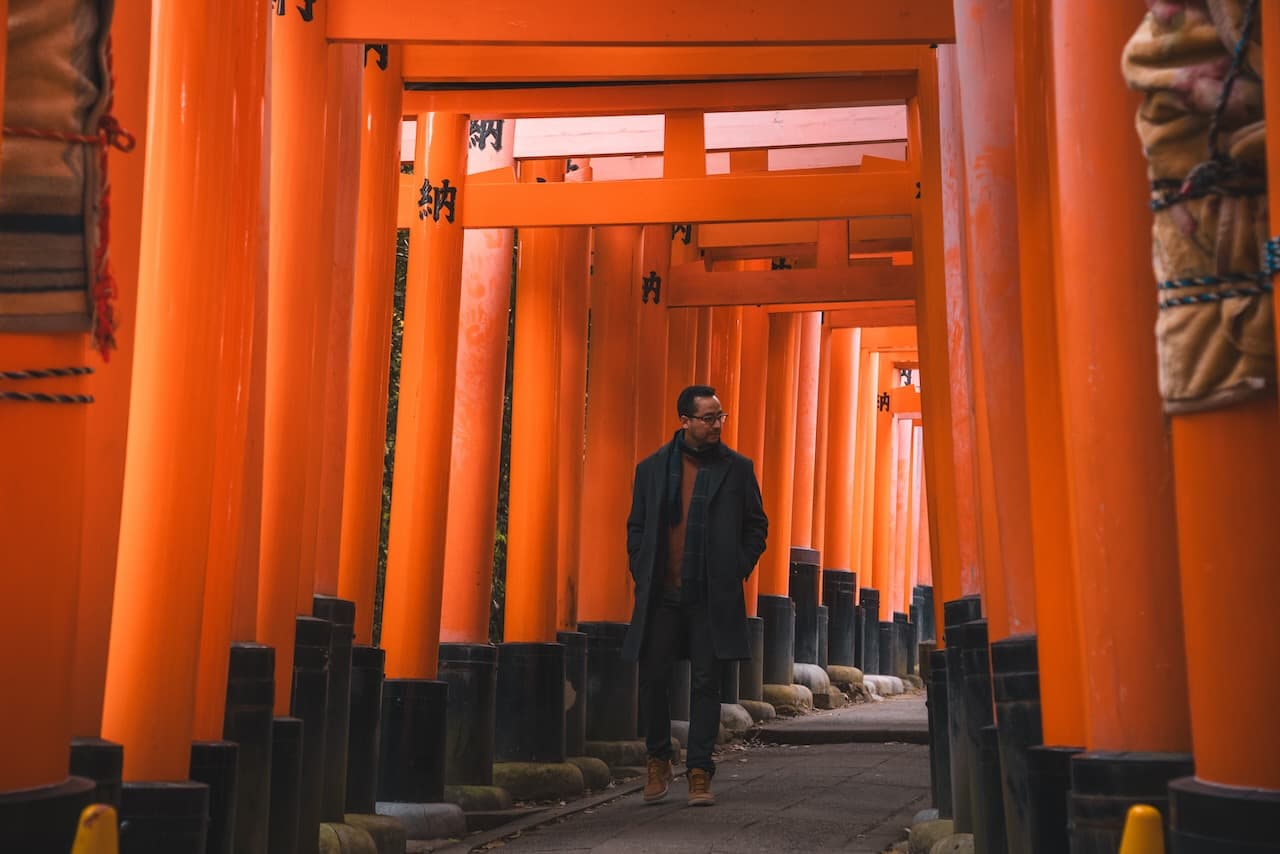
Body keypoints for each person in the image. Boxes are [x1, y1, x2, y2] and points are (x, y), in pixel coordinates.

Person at [623, 384, 768, 807]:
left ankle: (700, 770)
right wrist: (640, 564)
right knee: (652, 679)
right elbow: (636, 526)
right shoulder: (651, 470)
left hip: (710, 594)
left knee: (708, 682)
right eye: (708, 418)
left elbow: (757, 525)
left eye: (721, 417)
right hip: (661, 592)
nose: (717, 425)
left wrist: (735, 568)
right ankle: (658, 757)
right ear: (684, 421)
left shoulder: (737, 469)